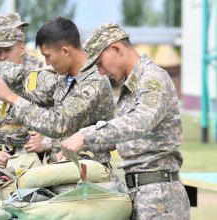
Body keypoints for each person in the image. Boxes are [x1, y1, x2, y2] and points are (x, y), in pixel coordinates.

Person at [60, 23, 190, 219]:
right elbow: (119, 135)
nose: (101, 72)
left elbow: (140, 122)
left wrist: (85, 135)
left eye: (100, 63)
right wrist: (67, 145)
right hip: (141, 192)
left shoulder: (152, 79)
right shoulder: (130, 88)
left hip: (160, 196)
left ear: (116, 49)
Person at [0, 17, 116, 165]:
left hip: (87, 170)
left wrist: (11, 97)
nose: (47, 62)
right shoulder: (64, 77)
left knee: (24, 181)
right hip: (62, 166)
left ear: (65, 51)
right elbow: (33, 93)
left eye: (47, 56)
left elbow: (59, 124)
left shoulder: (94, 82)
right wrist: (3, 82)